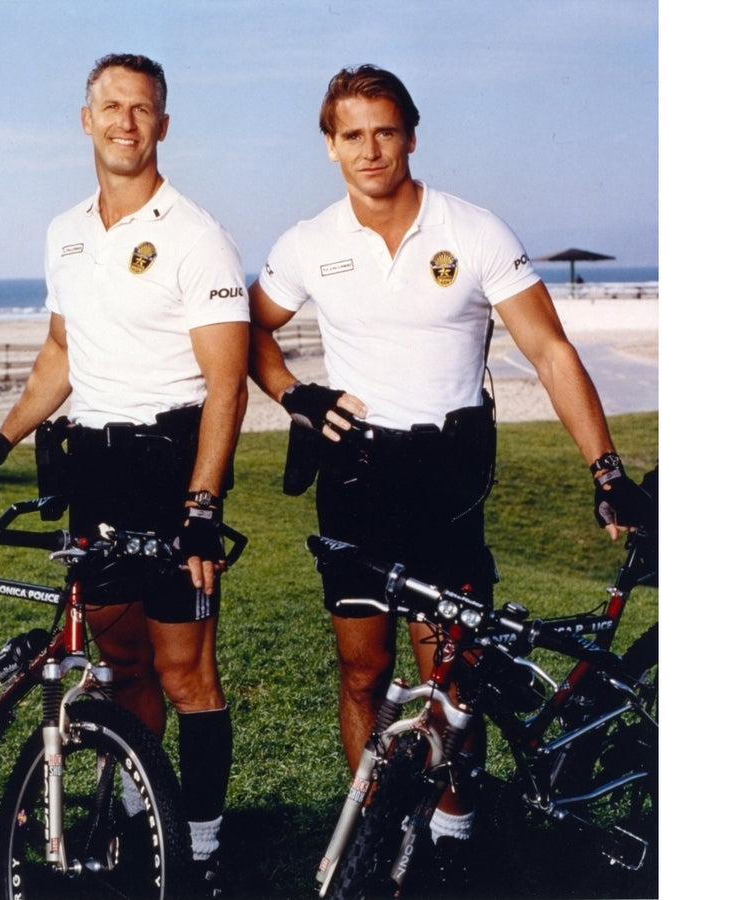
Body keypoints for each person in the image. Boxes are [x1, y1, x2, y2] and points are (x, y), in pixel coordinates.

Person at [247, 64, 650, 885]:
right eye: (352, 134)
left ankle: (456, 826)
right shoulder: (308, 242)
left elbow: (549, 349)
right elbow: (249, 330)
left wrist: (605, 468)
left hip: (449, 480)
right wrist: (296, 393)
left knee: (453, 671)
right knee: (362, 668)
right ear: (330, 145)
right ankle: (374, 825)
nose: (371, 149)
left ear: (411, 135)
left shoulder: (473, 230)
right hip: (356, 477)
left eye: (386, 130)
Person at [0, 53, 249, 894]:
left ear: (162, 124)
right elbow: (60, 352)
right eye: (110, 106)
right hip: (94, 470)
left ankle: (201, 844)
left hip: (169, 472)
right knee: (119, 663)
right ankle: (136, 812)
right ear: (86, 118)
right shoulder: (65, 231)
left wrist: (202, 503)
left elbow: (226, 384)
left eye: (142, 108)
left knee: (186, 669)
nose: (125, 121)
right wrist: (0, 443)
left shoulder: (197, 234)